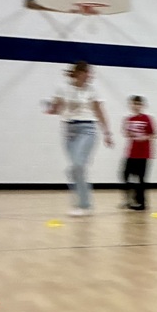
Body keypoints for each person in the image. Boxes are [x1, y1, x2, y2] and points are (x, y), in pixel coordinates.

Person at [45, 61, 113, 215]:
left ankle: (84, 205)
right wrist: (53, 109)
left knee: (77, 166)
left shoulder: (93, 90)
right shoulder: (63, 88)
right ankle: (82, 203)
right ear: (78, 73)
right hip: (69, 130)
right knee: (76, 169)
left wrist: (107, 133)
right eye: (87, 72)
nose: (90, 76)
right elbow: (56, 109)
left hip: (87, 129)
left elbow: (100, 112)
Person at [121, 95, 157, 211]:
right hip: (131, 152)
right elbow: (126, 133)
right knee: (125, 174)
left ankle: (142, 203)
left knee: (141, 178)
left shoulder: (147, 119)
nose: (136, 106)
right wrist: (126, 132)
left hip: (143, 153)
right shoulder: (129, 119)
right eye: (134, 104)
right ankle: (130, 199)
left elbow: (154, 134)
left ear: (142, 106)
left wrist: (145, 137)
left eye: (138, 104)